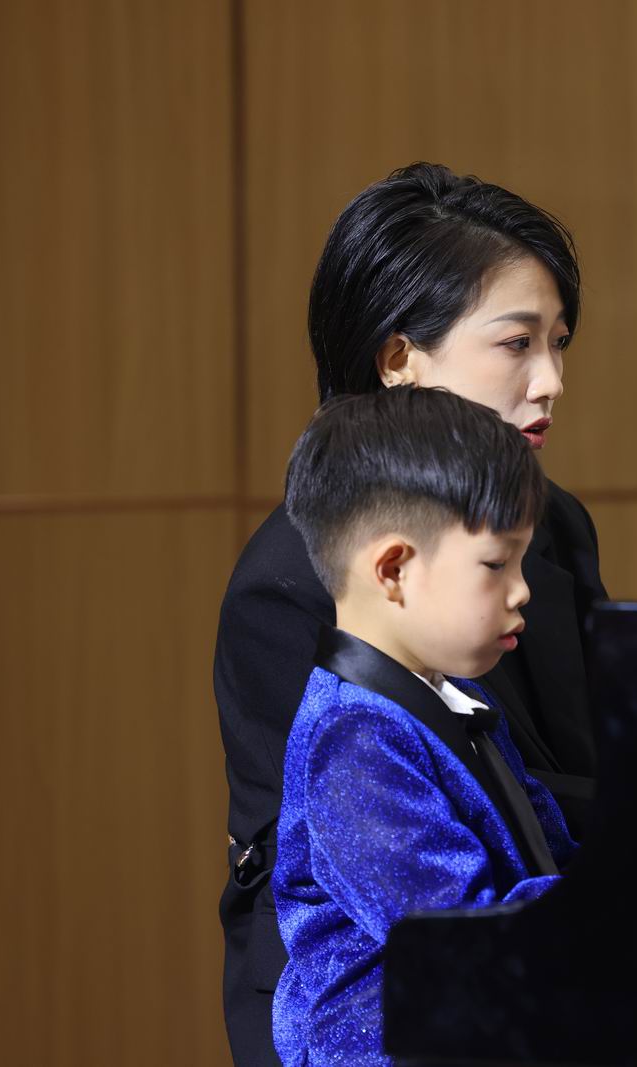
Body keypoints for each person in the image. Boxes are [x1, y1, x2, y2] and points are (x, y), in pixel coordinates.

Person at [215, 164, 606, 1065]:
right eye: (517, 343)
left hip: (523, 960)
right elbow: (393, 880)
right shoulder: (291, 580)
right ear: (399, 360)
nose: (551, 380)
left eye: (560, 342)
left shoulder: (557, 520)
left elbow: (575, 772)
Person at [272, 385, 575, 1066]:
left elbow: (549, 852)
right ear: (394, 569)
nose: (523, 589)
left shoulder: (452, 696)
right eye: (497, 564)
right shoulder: (353, 738)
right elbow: (458, 933)